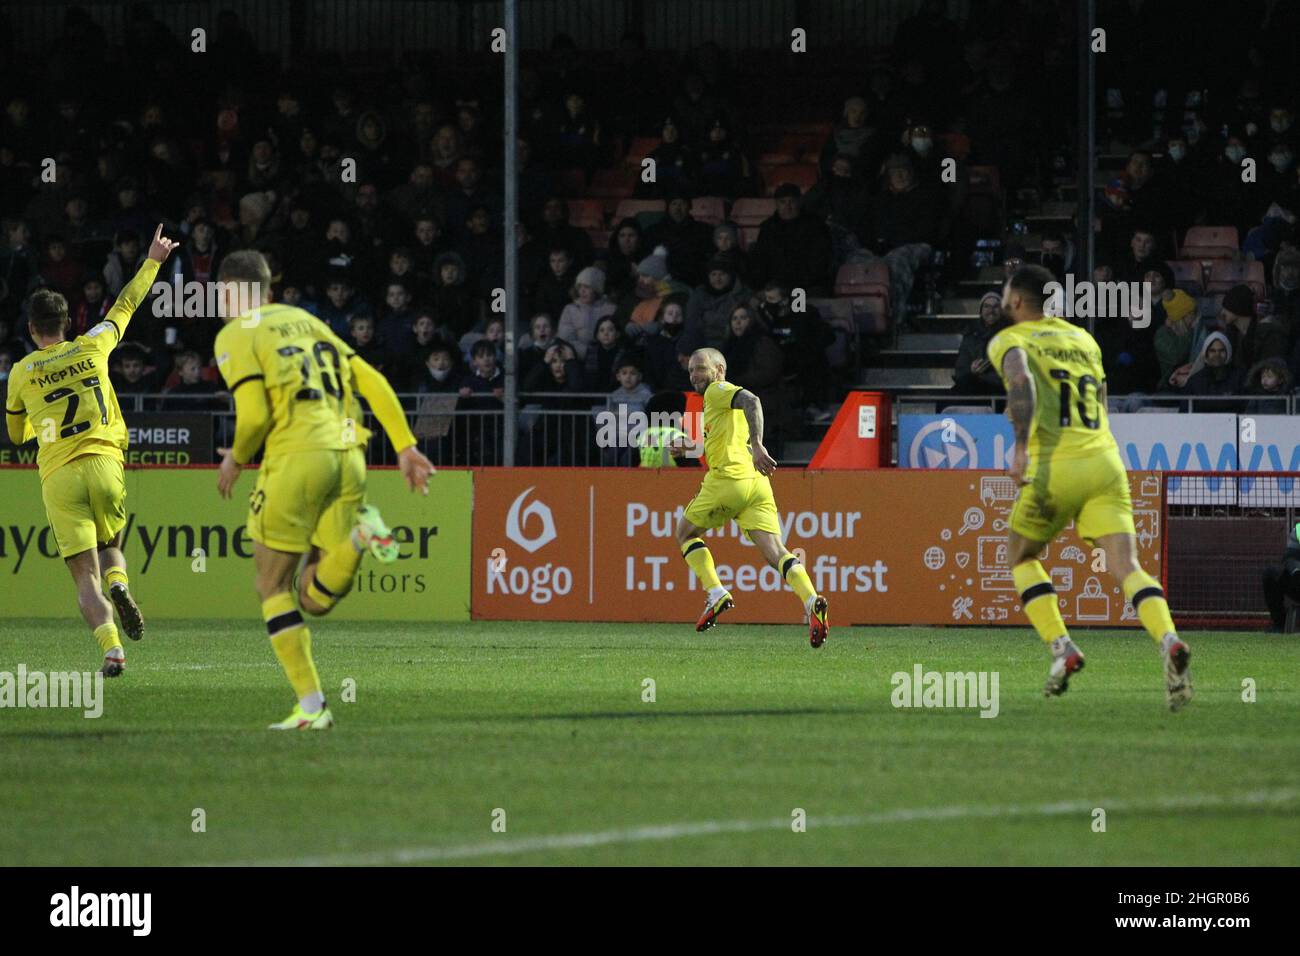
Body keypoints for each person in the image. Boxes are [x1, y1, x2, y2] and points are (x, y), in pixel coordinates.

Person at [212, 250, 435, 730]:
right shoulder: (309, 321)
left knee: (271, 586)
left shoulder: (235, 333)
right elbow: (371, 380)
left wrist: (234, 456)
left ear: (229, 291)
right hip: (350, 456)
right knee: (313, 596)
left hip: (297, 457)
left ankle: (312, 708)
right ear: (271, 291)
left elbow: (253, 416)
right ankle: (360, 536)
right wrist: (406, 446)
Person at [990, 265, 1192, 710]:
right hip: (1105, 461)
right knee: (1128, 567)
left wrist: (1020, 445)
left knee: (1020, 556)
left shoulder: (1008, 340)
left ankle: (1062, 649)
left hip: (1054, 466)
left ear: (1017, 300)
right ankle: (1169, 640)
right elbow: (1098, 401)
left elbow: (1021, 379)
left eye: (1005, 292)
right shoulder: (1085, 340)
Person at [4, 223, 176, 676]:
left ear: (31, 328)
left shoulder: (21, 371)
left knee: (84, 577)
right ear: (68, 323)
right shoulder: (94, 343)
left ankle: (112, 649)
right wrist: (153, 259)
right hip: (104, 462)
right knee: (111, 546)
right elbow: (126, 303)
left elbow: (16, 434)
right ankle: (120, 582)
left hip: (59, 475)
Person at [671, 347, 829, 647]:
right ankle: (811, 601)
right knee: (776, 552)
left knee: (684, 533)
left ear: (719, 370)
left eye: (700, 368)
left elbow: (752, 400)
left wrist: (758, 444)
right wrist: (688, 447)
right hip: (756, 484)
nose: (694, 375)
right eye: (691, 370)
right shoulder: (713, 405)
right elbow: (720, 441)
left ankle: (716, 592)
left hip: (728, 480)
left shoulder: (718, 390)